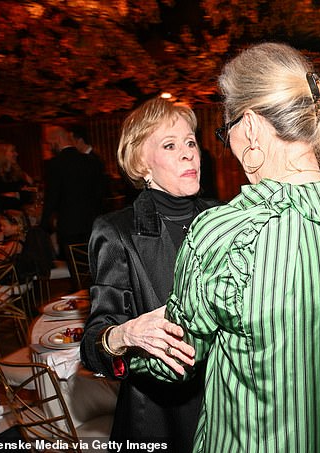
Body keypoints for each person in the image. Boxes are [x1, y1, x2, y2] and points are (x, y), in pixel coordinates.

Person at [141, 42, 320, 452]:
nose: (230, 145)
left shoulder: (228, 232)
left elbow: (170, 364)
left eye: (228, 130)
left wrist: (123, 340)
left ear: (252, 127)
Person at [80, 97, 221, 452]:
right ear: (142, 162)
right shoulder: (116, 232)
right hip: (161, 420)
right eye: (170, 145)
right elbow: (94, 345)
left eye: (190, 142)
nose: (188, 153)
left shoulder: (222, 218)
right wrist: (126, 333)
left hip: (227, 410)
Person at [41, 125, 107, 260]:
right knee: (93, 266)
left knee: (74, 269)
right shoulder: (90, 161)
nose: (49, 147)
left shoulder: (55, 164)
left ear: (57, 140)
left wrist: (43, 225)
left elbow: (52, 198)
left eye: (49, 143)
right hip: (93, 224)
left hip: (69, 226)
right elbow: (100, 193)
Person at [0, 140, 34, 213]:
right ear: (2, 155)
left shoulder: (17, 173)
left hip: (20, 215)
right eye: (12, 151)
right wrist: (19, 193)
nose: (16, 154)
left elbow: (29, 196)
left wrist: (16, 194)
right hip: (4, 218)